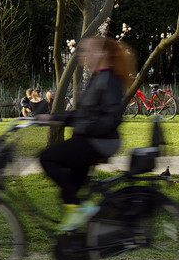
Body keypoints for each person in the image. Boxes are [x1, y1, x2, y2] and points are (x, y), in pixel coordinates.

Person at [36, 36, 132, 232]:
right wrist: (51, 117)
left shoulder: (109, 80)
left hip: (99, 141)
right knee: (69, 190)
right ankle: (71, 248)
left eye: (87, 51)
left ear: (101, 54)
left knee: (47, 158)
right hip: (91, 139)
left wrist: (85, 128)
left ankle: (79, 213)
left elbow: (113, 118)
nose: (82, 56)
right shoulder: (98, 78)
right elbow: (82, 114)